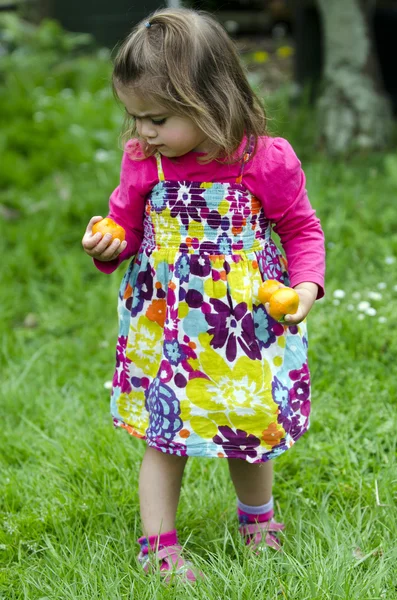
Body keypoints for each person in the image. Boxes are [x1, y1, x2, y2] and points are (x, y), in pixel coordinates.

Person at [82, 7, 325, 582]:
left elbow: (301, 229)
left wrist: (305, 286)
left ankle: (257, 519)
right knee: (166, 436)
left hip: (243, 323)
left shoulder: (264, 160)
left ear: (211, 100)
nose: (142, 131)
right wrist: (108, 243)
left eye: (157, 118)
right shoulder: (146, 162)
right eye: (134, 116)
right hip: (167, 329)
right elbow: (127, 228)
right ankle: (158, 545)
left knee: (250, 428)